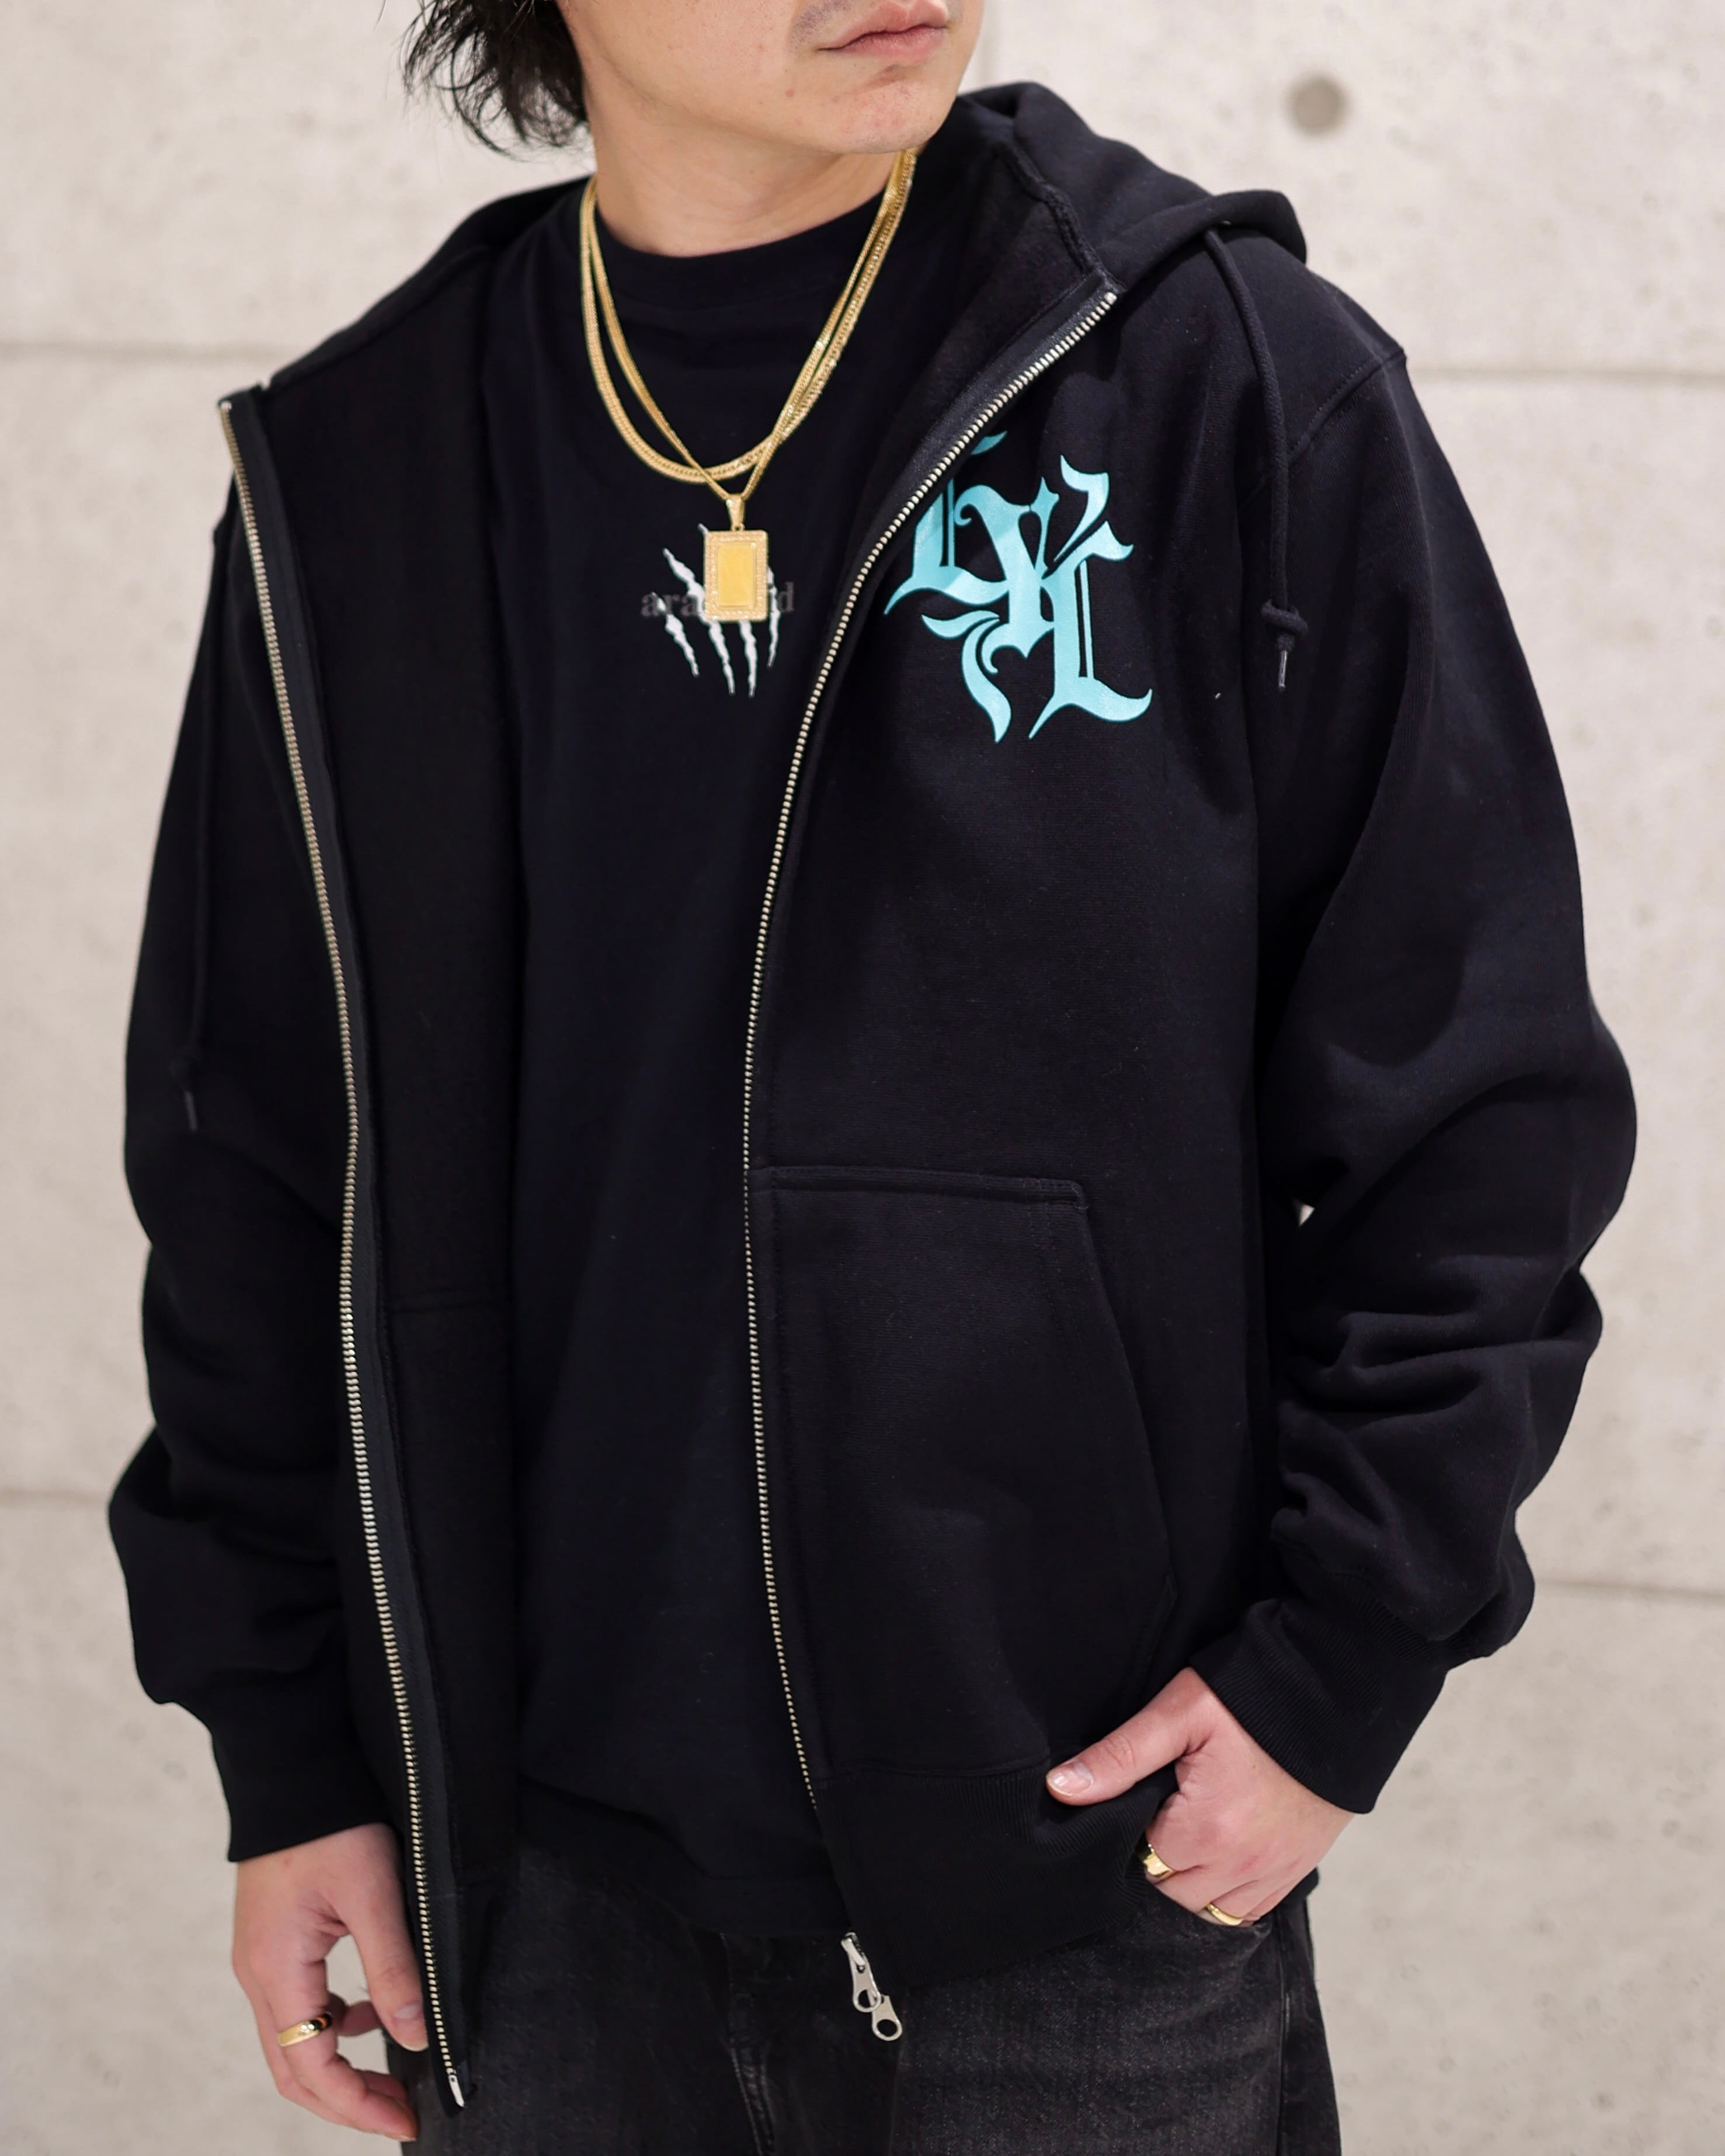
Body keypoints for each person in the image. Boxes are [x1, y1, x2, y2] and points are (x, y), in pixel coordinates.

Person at [110, 1, 1634, 2148]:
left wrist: (1333, 1667)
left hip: (1085, 1888)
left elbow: (1476, 1095)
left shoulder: (1212, 378)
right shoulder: (366, 476)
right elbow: (251, 1164)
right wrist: (290, 1755)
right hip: (536, 1896)